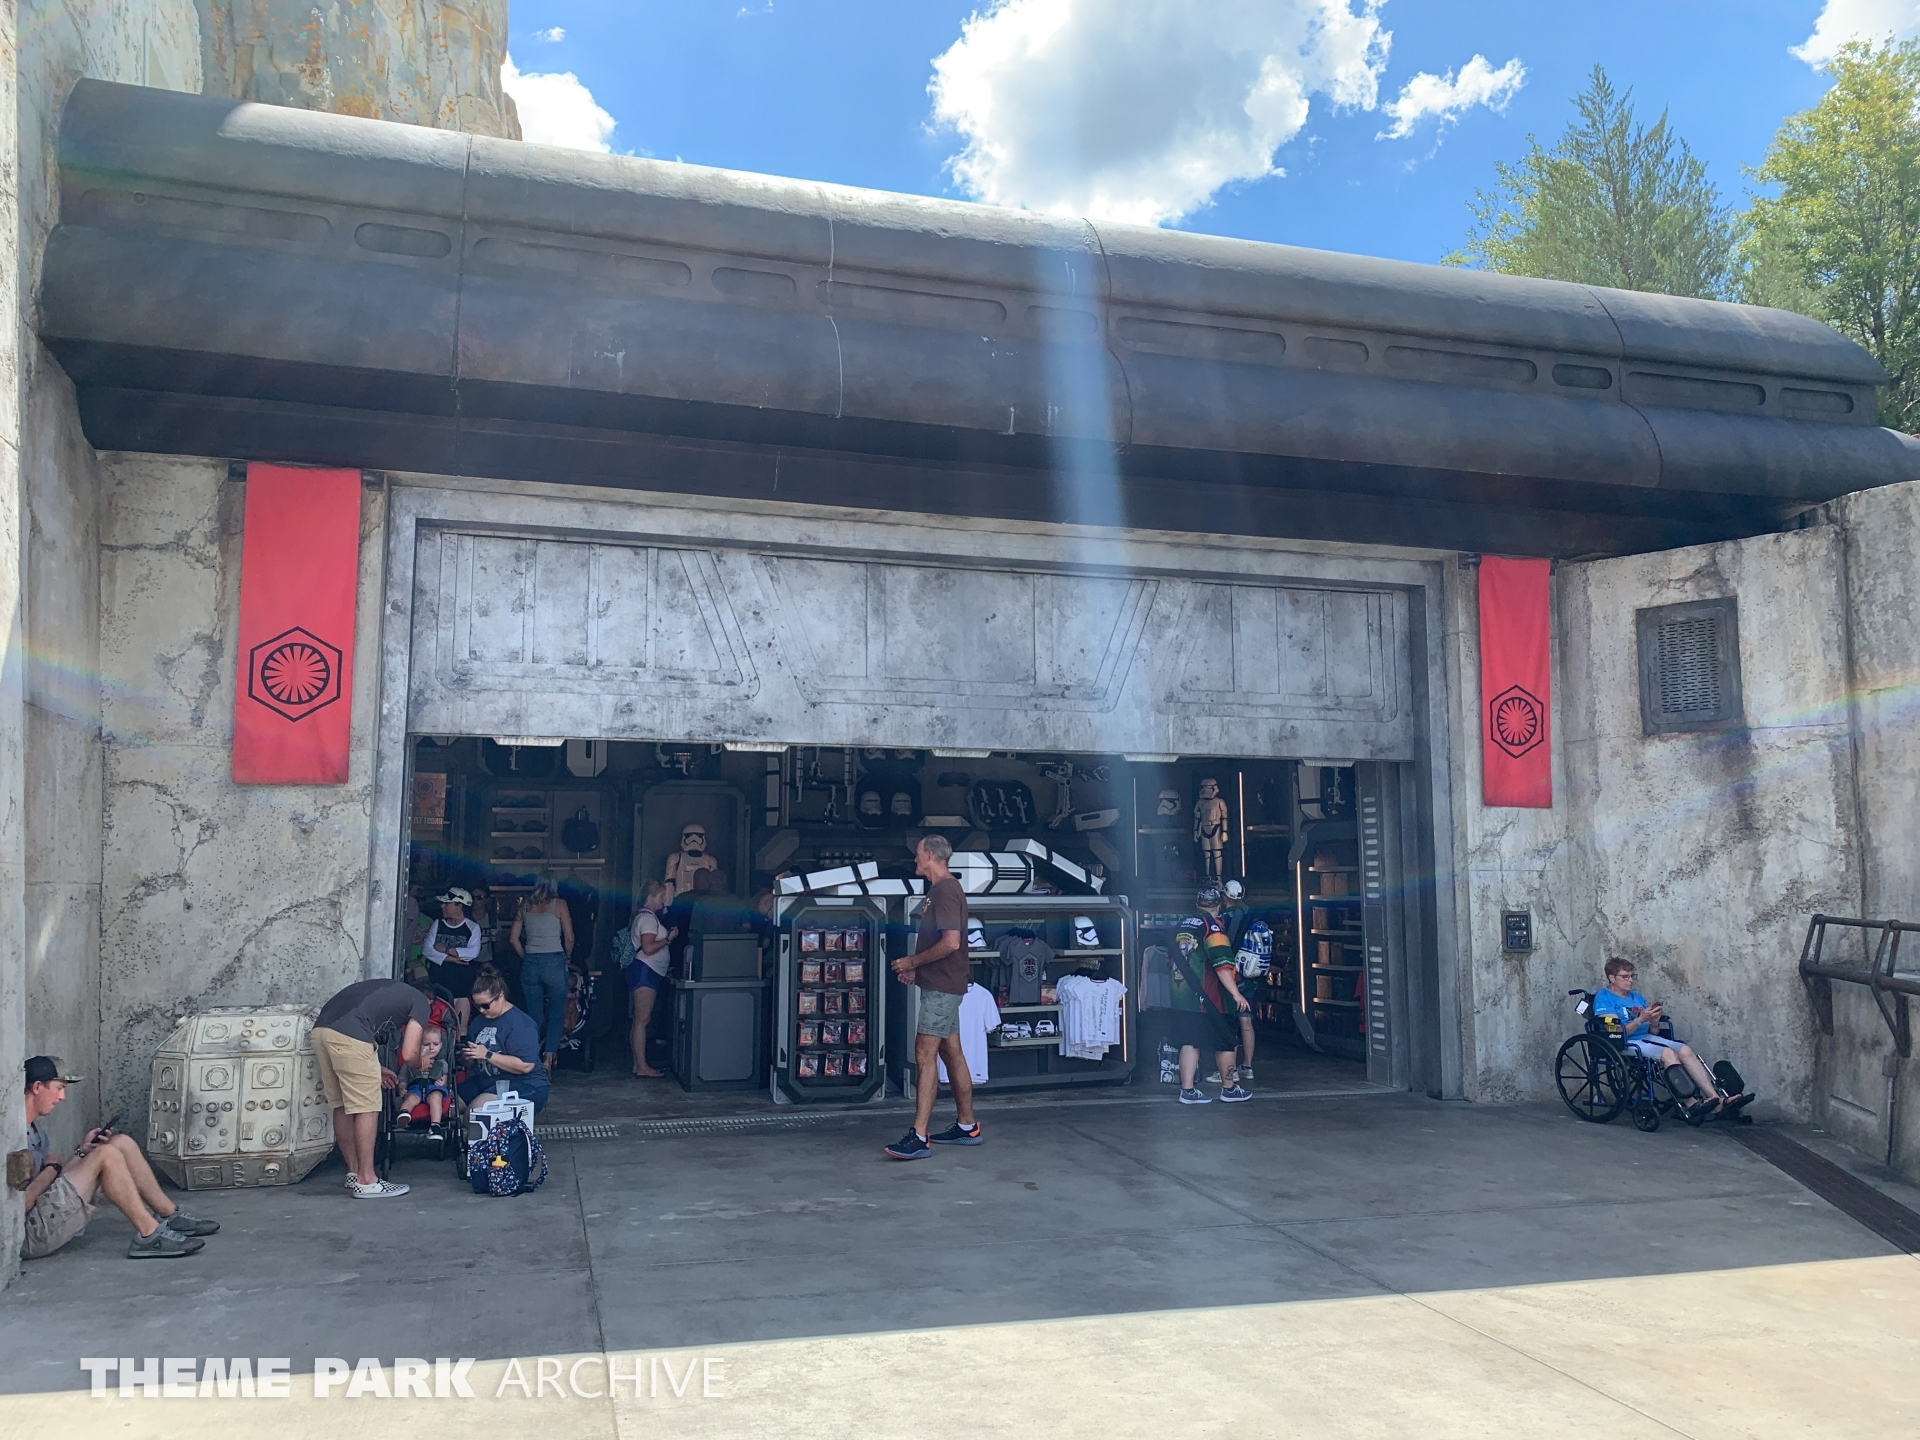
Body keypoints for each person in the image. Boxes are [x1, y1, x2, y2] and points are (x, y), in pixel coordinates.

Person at [20, 1056, 219, 1260]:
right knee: (106, 1155)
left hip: (45, 1212)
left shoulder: (35, 1131)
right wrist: (51, 1168)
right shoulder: (12, 1138)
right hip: (28, 1234)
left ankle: (170, 1215)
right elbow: (21, 1204)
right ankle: (149, 1233)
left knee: (120, 1143)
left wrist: (82, 1151)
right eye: (59, 1088)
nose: (62, 1097)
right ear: (37, 1087)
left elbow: (52, 1181)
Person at [885, 836, 982, 1159]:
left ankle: (919, 1136)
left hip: (942, 989)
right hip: (943, 984)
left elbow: (951, 942)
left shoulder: (945, 891)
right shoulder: (942, 890)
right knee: (952, 1052)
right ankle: (967, 1125)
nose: (915, 860)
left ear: (929, 856)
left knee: (924, 1056)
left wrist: (912, 962)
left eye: (917, 855)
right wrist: (918, 969)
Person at [310, 977, 427, 1199]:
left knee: (342, 1104)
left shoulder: (388, 990)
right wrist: (421, 1063)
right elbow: (409, 1053)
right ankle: (367, 1181)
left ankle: (354, 1173)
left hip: (321, 1031)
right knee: (367, 1107)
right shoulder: (420, 1001)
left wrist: (375, 1066)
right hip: (350, 1035)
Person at [1592, 957, 1751, 1118]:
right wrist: (1641, 1019)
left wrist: (1654, 1021)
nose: (1630, 980)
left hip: (1646, 1038)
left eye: (1632, 976)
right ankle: (1690, 1103)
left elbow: (1653, 1032)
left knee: (1684, 1050)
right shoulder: (1604, 999)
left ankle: (1716, 1099)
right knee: (1668, 1053)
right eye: (1625, 977)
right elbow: (1616, 1031)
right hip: (1624, 1042)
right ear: (1612, 978)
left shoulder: (1637, 997)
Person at [1166, 922, 1253, 1106]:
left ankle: (1187, 1091)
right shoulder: (1212, 929)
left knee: (1189, 1041)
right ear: (1218, 907)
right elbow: (1222, 965)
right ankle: (1229, 1089)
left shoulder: (1180, 926)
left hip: (1183, 999)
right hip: (1212, 999)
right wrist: (1236, 994)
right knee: (1226, 1041)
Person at [458, 966, 550, 1113]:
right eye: (477, 1006)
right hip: (486, 1081)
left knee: (476, 1111)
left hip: (524, 1084)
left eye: (485, 1005)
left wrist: (487, 1054)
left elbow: (526, 1066)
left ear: (500, 996)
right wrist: (468, 1057)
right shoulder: (478, 1022)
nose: (481, 1010)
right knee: (448, 1105)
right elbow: (471, 1063)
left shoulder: (521, 1024)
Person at [510, 880, 575, 1074]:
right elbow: (569, 937)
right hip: (554, 961)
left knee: (533, 1015)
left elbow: (513, 939)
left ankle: (531, 1058)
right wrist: (567, 958)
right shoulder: (560, 904)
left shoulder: (525, 905)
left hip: (531, 962)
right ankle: (548, 1058)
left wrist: (526, 957)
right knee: (556, 1012)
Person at [1195, 884, 1256, 1084]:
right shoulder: (1249, 915)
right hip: (1249, 973)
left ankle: (1230, 1072)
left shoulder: (1221, 920)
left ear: (1223, 897)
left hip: (1229, 976)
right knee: (1246, 1021)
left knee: (1228, 1022)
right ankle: (1247, 1066)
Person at [625, 881, 677, 1078]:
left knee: (639, 1020)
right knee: (642, 1020)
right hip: (645, 973)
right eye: (661, 897)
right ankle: (642, 1066)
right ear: (652, 897)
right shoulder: (647, 919)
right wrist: (669, 938)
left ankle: (638, 1064)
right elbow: (648, 948)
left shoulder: (644, 917)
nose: (663, 901)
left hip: (646, 971)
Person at [422, 887, 484, 1030]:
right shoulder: (438, 924)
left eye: (447, 903)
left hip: (462, 985)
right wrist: (452, 959)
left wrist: (445, 950)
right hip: (438, 983)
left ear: (459, 906)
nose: (442, 906)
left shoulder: (472, 927)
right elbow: (427, 950)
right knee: (435, 1027)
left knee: (460, 1029)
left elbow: (472, 952)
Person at [395, 1024, 451, 1137]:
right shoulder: (411, 1062)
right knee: (411, 1097)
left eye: (435, 1044)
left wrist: (443, 1081)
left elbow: (446, 1076)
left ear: (441, 1045)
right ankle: (404, 1114)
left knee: (435, 1097)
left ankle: (435, 1125)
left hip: (434, 1086)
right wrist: (402, 1087)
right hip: (416, 1086)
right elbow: (403, 1077)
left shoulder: (442, 1063)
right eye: (426, 1044)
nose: (431, 1048)